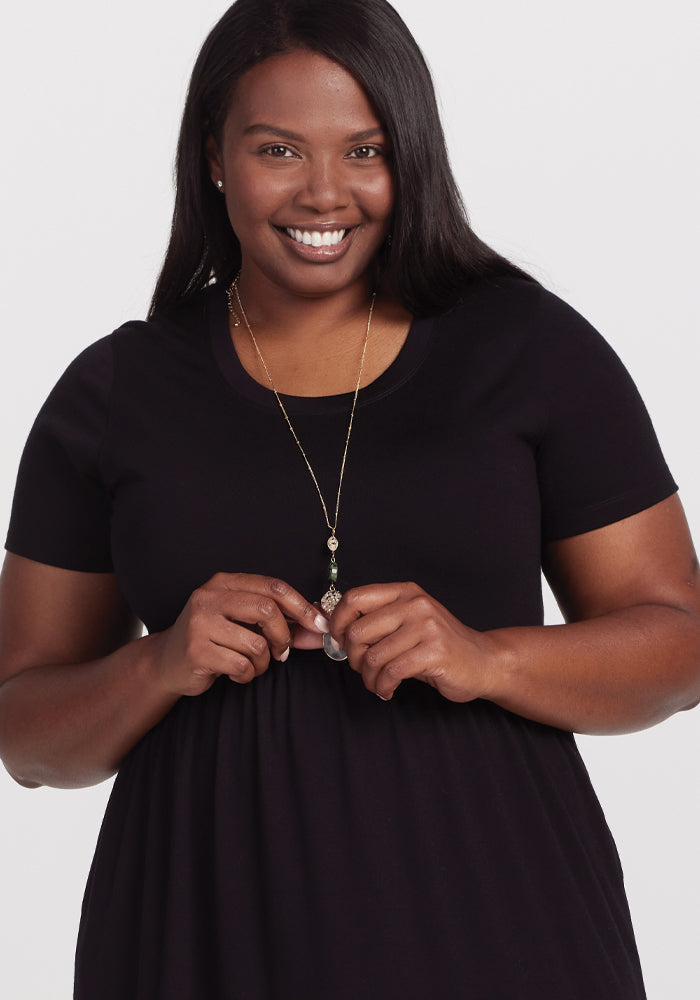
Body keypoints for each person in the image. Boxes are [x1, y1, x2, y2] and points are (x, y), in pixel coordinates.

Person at [0, 0, 698, 996]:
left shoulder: (527, 350)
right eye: (278, 149)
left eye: (365, 151)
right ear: (213, 155)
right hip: (202, 933)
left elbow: (680, 642)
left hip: (498, 925)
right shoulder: (117, 393)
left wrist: (485, 654)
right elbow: (23, 729)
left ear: (408, 155)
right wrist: (159, 664)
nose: (325, 193)